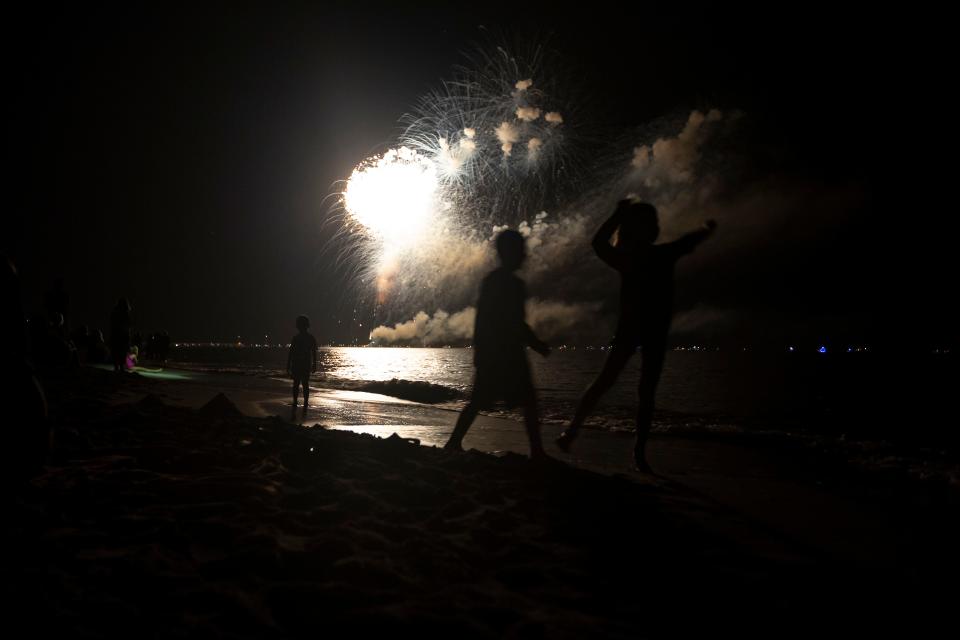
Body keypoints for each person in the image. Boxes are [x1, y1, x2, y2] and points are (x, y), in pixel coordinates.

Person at [556, 200, 717, 472]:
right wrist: (706, 229)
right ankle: (634, 452)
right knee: (638, 391)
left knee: (614, 385)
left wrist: (616, 215)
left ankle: (580, 434)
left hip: (639, 331)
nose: (654, 228)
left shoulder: (633, 259)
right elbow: (688, 241)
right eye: (650, 224)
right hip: (647, 331)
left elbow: (599, 243)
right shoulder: (652, 256)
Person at [444, 229, 551, 458]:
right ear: (510, 252)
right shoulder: (511, 284)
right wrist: (536, 344)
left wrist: (480, 351)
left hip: (495, 353)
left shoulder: (493, 281)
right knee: (526, 401)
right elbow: (513, 322)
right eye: (520, 250)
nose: (524, 255)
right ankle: (537, 451)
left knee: (479, 401)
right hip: (506, 354)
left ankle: (453, 442)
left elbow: (483, 320)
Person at [287, 315, 318, 413]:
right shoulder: (310, 338)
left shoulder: (296, 338)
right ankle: (304, 403)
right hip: (305, 364)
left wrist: (288, 365)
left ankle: (296, 402)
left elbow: (291, 353)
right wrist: (314, 364)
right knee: (304, 384)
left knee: (297, 384)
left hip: (297, 364)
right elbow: (314, 352)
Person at [109, 298, 132, 373]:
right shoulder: (126, 313)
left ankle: (116, 367)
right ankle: (121, 367)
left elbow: (112, 324)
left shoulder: (114, 312)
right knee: (122, 351)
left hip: (116, 334)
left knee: (116, 351)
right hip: (122, 335)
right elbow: (128, 325)